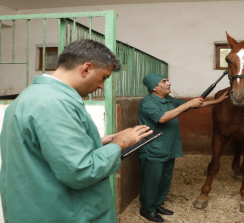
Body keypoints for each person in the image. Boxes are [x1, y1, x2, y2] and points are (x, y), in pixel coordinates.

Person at [0, 39, 153, 223]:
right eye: (104, 77)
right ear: (86, 69)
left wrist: (96, 142)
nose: (102, 86)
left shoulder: (31, 96)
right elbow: (81, 171)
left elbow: (45, 150)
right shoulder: (53, 104)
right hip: (63, 213)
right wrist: (120, 143)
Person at [137, 72, 228, 222]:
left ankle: (157, 204)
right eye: (164, 81)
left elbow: (195, 104)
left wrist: (217, 101)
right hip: (153, 150)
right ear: (154, 87)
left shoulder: (169, 100)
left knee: (165, 179)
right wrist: (188, 104)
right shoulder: (147, 102)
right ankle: (147, 210)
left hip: (168, 148)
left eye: (168, 80)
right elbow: (163, 118)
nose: (169, 83)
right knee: (151, 182)